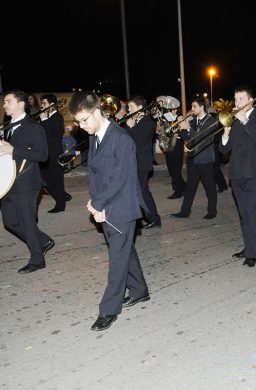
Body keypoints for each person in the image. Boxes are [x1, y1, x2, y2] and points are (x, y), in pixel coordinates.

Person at [69, 91, 149, 331]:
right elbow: (96, 173)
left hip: (122, 206)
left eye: (84, 120)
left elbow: (119, 179)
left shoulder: (121, 139)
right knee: (124, 250)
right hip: (105, 204)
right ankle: (139, 290)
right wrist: (95, 202)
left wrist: (99, 204)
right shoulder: (96, 136)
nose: (81, 126)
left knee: (117, 258)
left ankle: (108, 310)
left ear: (96, 112)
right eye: (78, 122)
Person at [0, 90, 54, 274]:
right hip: (8, 183)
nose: (4, 104)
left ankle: (37, 259)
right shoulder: (6, 127)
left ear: (21, 104)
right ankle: (43, 241)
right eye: (4, 102)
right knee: (10, 221)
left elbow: (42, 155)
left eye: (8, 101)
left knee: (27, 220)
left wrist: (14, 150)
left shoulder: (33, 127)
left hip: (27, 182)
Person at [220, 85, 256, 267]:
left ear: (250, 100)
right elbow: (224, 149)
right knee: (243, 214)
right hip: (237, 174)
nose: (237, 103)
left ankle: (252, 253)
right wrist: (225, 135)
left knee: (253, 213)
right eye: (235, 99)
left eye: (240, 99)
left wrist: (244, 121)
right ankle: (248, 246)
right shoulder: (233, 120)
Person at [172, 97, 218, 219]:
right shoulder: (193, 121)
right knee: (190, 187)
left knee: (209, 187)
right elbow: (185, 137)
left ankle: (212, 211)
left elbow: (201, 138)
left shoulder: (211, 121)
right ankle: (184, 211)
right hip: (193, 158)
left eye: (194, 106)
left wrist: (188, 128)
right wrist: (181, 127)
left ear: (202, 107)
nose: (191, 109)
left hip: (205, 159)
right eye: (192, 107)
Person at [125, 95, 162, 229]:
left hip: (142, 163)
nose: (128, 109)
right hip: (132, 162)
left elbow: (140, 141)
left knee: (141, 192)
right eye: (128, 107)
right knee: (137, 191)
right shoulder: (131, 121)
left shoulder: (149, 122)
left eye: (131, 107)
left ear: (140, 108)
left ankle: (154, 219)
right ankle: (141, 219)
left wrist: (130, 127)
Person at [38, 94, 71, 213]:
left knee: (57, 179)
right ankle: (62, 195)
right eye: (42, 103)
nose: (42, 106)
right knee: (43, 179)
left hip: (55, 153)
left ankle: (60, 205)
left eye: (44, 103)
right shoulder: (45, 118)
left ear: (52, 104)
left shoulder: (57, 117)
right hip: (45, 153)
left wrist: (43, 120)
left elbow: (52, 135)